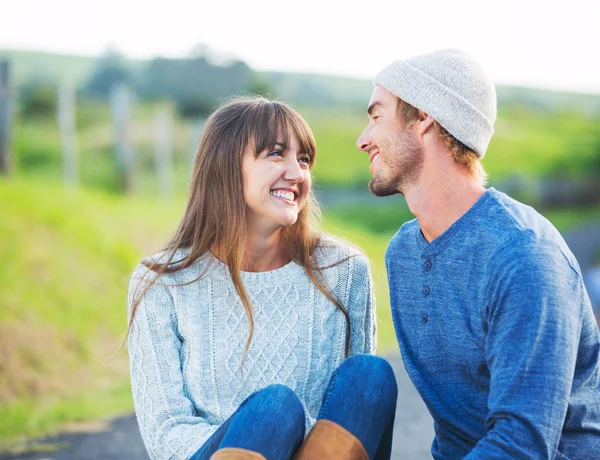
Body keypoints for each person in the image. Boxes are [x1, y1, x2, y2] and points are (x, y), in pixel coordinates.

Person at [356, 49, 600, 459]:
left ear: (424, 118)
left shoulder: (523, 256)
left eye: (377, 116)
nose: (363, 139)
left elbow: (522, 445)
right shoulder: (402, 254)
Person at [127, 96, 398, 460]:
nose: (297, 173)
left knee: (369, 376)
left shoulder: (344, 271)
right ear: (225, 166)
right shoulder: (162, 283)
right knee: (275, 409)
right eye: (275, 154)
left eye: (303, 159)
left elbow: (351, 417)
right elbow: (166, 432)